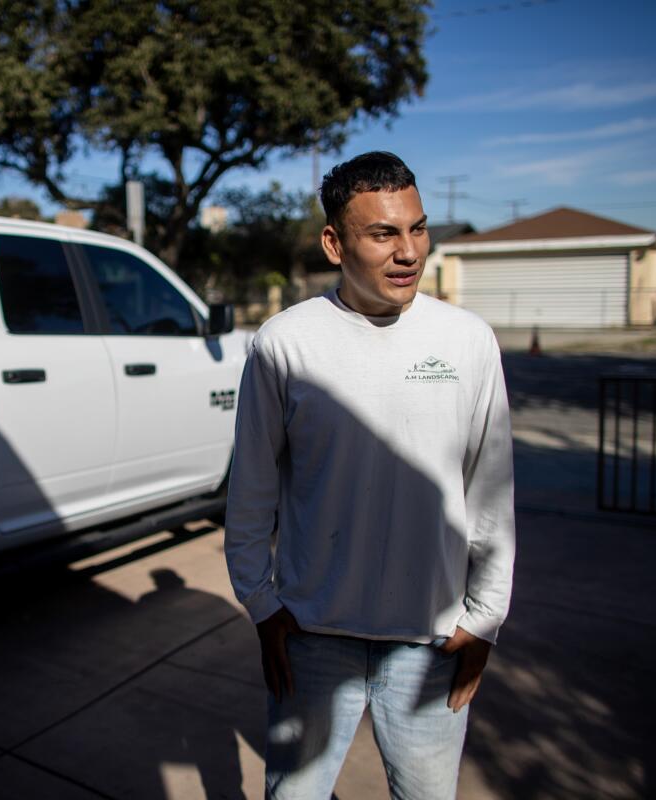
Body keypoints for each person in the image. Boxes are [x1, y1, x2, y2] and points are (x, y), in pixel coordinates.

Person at [224, 151, 515, 800]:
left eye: (417, 228)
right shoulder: (284, 343)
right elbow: (250, 491)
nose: (408, 251)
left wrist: (486, 614)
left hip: (430, 638)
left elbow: (489, 488)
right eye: (383, 233)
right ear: (334, 242)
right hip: (313, 632)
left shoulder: (467, 340)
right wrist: (262, 605)